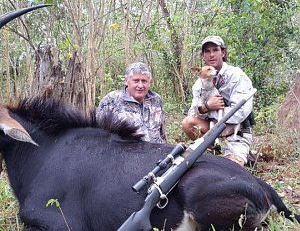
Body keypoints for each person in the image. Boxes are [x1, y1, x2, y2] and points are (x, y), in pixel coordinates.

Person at [182, 36, 255, 166]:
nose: (211, 55)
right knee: (188, 123)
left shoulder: (237, 76)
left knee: (229, 168)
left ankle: (240, 153)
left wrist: (212, 112)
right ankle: (214, 151)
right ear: (203, 56)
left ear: (223, 53)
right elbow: (193, 112)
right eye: (207, 51)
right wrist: (206, 107)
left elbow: (241, 113)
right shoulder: (199, 84)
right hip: (213, 129)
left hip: (235, 133)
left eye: (215, 50)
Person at [96, 62, 166, 143]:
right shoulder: (111, 100)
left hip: (155, 152)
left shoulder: (156, 99)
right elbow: (99, 135)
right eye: (136, 81)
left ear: (149, 82)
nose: (140, 86)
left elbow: (162, 134)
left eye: (144, 81)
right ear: (126, 81)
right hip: (125, 153)